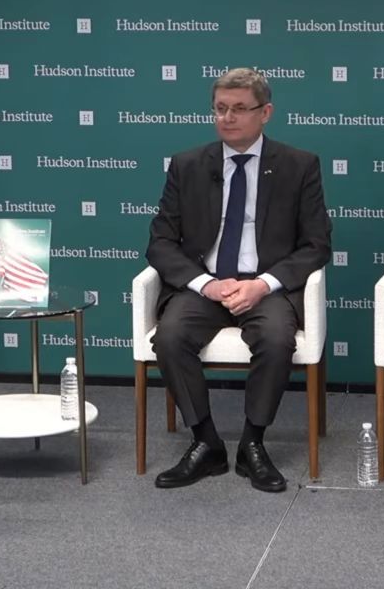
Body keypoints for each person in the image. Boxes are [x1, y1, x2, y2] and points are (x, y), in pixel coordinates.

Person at [146, 67, 332, 493]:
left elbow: (317, 245)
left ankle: (253, 443)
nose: (227, 118)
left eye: (239, 109)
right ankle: (206, 442)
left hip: (265, 286)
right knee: (169, 337)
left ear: (265, 112)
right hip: (206, 283)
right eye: (220, 109)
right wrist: (205, 284)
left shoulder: (299, 165)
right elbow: (160, 242)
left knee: (277, 338)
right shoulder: (187, 165)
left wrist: (263, 284)